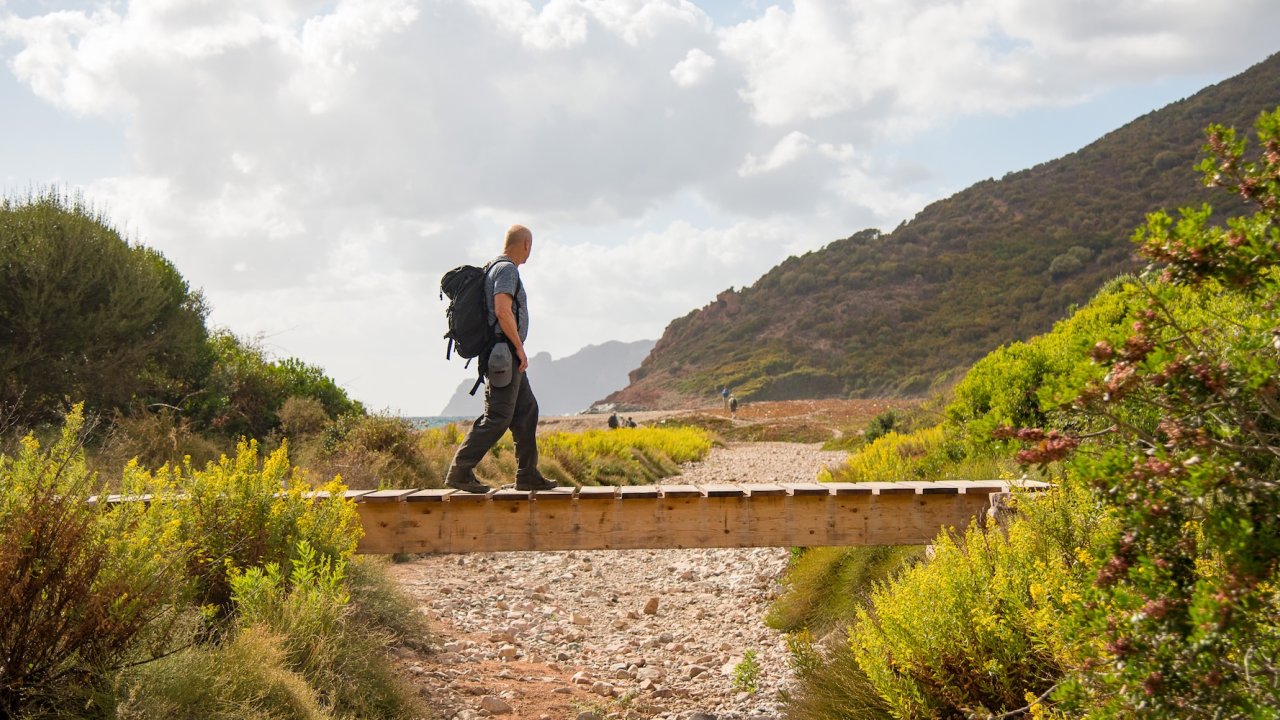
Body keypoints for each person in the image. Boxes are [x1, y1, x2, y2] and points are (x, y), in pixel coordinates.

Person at [444, 225, 556, 493]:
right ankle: (460, 471)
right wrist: (519, 347)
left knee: (526, 411)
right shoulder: (506, 270)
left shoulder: (493, 267)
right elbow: (503, 310)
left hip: (504, 354)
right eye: (532, 247)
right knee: (497, 417)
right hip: (504, 354)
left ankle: (527, 474)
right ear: (526, 244)